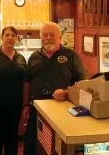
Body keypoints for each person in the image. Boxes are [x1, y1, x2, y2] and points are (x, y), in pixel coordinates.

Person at [22, 22, 88, 155]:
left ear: (60, 37)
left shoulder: (71, 56)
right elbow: (27, 83)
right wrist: (26, 104)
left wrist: (67, 93)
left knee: (56, 148)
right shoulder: (34, 57)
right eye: (45, 35)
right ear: (40, 37)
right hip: (37, 110)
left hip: (63, 111)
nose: (48, 38)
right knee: (32, 146)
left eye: (52, 35)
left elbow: (84, 84)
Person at [0, 26, 27, 155]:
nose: (10, 38)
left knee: (12, 140)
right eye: (7, 35)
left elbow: (25, 83)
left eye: (13, 35)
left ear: (16, 39)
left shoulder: (21, 58)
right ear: (2, 38)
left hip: (15, 107)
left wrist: (24, 105)